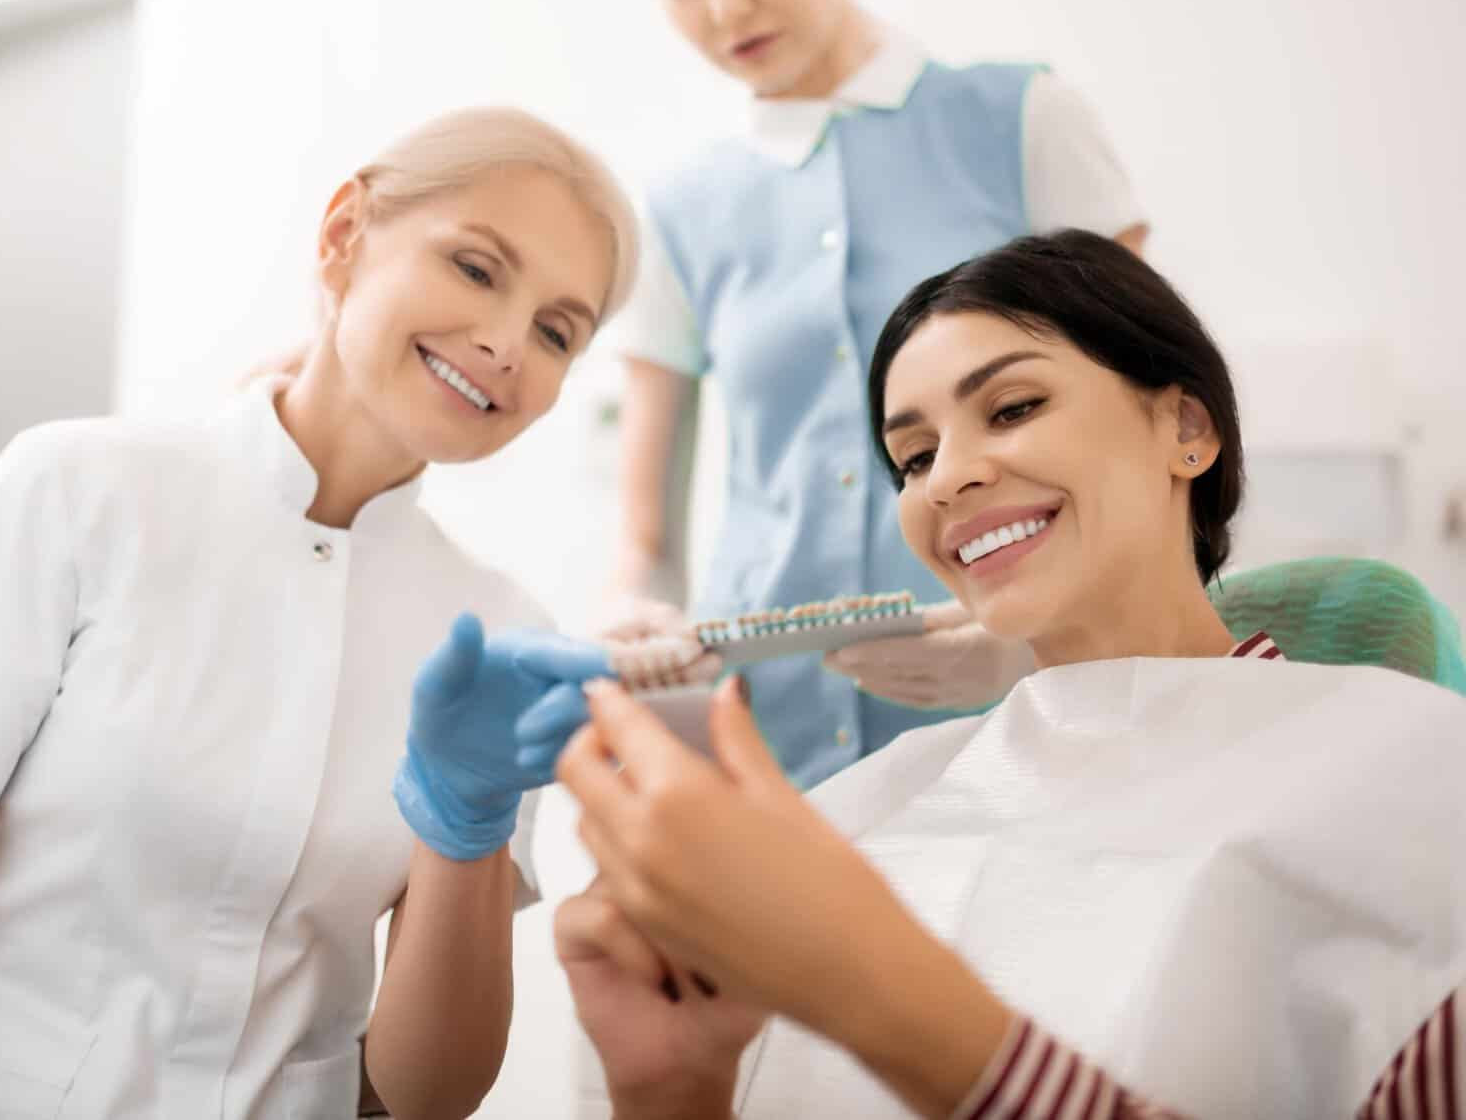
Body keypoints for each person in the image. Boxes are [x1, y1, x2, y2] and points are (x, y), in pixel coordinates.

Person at [0, 107, 639, 1120]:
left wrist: (466, 826)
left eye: (555, 331)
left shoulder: (499, 633)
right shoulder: (80, 490)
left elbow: (424, 1093)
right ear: (343, 234)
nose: (505, 341)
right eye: (475, 268)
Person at [540, 232, 1466, 1117]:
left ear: (1187, 428)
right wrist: (672, 1094)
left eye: (1013, 408)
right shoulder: (854, 817)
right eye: (913, 456)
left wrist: (876, 988)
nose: (944, 481)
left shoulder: (1413, 773)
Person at [601, 0, 1149, 784]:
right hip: (762, 750)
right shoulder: (677, 212)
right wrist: (640, 618)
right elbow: (647, 535)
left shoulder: (1023, 122)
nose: (724, 8)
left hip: (1022, 724)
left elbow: (1149, 441)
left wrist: (1027, 642)